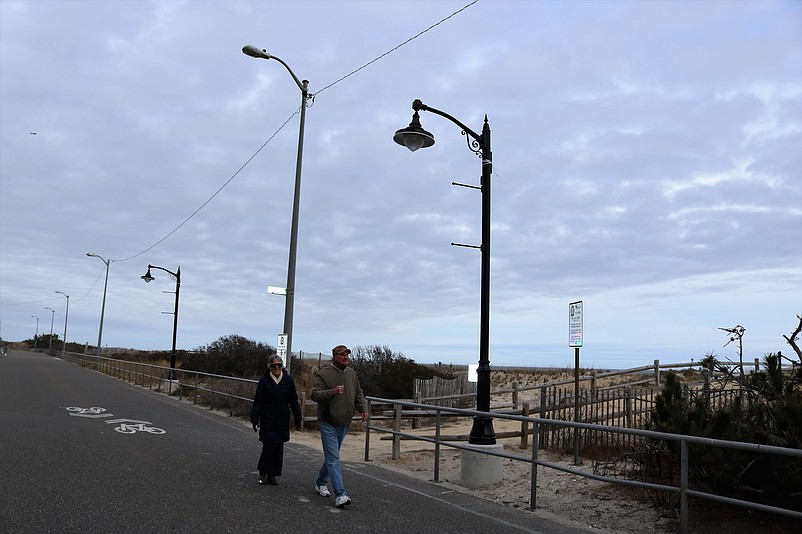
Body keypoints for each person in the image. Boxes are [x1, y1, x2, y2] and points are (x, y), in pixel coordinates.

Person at [310, 344, 368, 507]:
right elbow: (314, 395)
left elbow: (358, 393)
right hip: (328, 421)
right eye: (342, 355)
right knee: (334, 458)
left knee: (331, 457)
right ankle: (341, 495)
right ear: (334, 356)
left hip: (344, 422)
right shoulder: (324, 374)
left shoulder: (351, 374)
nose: (345, 357)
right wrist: (332, 392)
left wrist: (363, 409)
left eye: (347, 355)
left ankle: (321, 482)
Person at [250, 355, 302, 486]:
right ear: (269, 367)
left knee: (279, 447)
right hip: (268, 418)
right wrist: (254, 417)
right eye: (274, 365)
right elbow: (258, 401)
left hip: (282, 419)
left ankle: (272, 474)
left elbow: (294, 401)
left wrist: (298, 417)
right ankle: (263, 472)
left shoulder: (288, 381)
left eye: (279, 365)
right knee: (268, 446)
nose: (277, 368)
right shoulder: (264, 381)